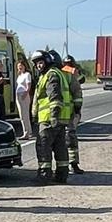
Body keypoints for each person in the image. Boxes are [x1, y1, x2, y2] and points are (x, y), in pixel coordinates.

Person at [31, 49, 72, 184]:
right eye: (37, 64)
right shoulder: (56, 73)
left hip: (49, 119)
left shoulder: (51, 75)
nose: (39, 66)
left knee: (43, 146)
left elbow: (54, 97)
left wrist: (53, 116)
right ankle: (62, 175)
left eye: (41, 62)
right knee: (60, 147)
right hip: (60, 119)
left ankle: (44, 175)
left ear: (47, 61)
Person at [61, 54, 84, 174]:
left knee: (59, 141)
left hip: (59, 113)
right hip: (70, 112)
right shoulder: (74, 71)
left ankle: (61, 166)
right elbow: (79, 84)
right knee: (71, 139)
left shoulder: (59, 72)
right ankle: (73, 164)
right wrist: (77, 109)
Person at [14, 59, 34, 139]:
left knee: (24, 114)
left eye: (21, 66)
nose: (20, 68)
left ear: (24, 66)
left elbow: (28, 85)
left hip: (24, 95)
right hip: (18, 94)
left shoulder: (27, 74)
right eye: (18, 66)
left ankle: (27, 132)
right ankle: (28, 131)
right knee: (21, 115)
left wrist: (25, 94)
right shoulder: (19, 75)